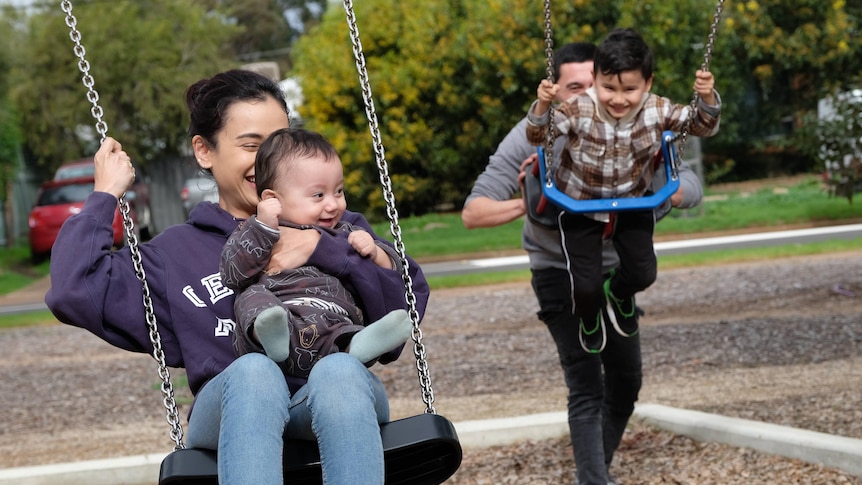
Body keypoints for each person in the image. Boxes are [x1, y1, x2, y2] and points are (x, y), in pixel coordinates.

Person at [45, 68, 430, 485]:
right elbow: (74, 289)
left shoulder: (336, 227)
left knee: (339, 371)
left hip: (335, 396)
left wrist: (327, 251)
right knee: (254, 372)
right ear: (204, 151)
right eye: (251, 145)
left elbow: (405, 305)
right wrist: (105, 195)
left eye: (279, 142)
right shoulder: (173, 255)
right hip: (230, 403)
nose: (268, 159)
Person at [462, 41, 704, 485]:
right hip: (559, 270)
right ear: (557, 89)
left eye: (598, 86)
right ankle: (594, 479)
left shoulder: (631, 121)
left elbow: (687, 179)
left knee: (626, 383)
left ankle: (594, 472)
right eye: (576, 87)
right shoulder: (538, 130)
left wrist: (663, 191)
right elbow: (472, 212)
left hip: (617, 267)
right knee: (587, 381)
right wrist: (530, 200)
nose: (593, 97)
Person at [526, 28, 721, 353]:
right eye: (608, 88)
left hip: (632, 201)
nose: (618, 99)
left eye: (630, 89)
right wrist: (543, 105)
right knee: (585, 287)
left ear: (648, 83)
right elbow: (538, 136)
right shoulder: (578, 108)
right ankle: (590, 316)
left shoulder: (657, 109)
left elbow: (702, 126)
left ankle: (619, 291)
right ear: (596, 78)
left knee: (644, 272)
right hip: (579, 203)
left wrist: (708, 98)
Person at [222, 127, 414, 379]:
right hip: (279, 327)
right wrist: (263, 225)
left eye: (339, 191)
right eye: (318, 195)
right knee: (250, 295)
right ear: (272, 199)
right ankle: (269, 332)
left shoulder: (345, 232)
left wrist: (376, 252)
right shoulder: (255, 231)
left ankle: (359, 345)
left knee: (345, 326)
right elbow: (232, 274)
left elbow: (396, 271)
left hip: (332, 322)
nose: (333, 204)